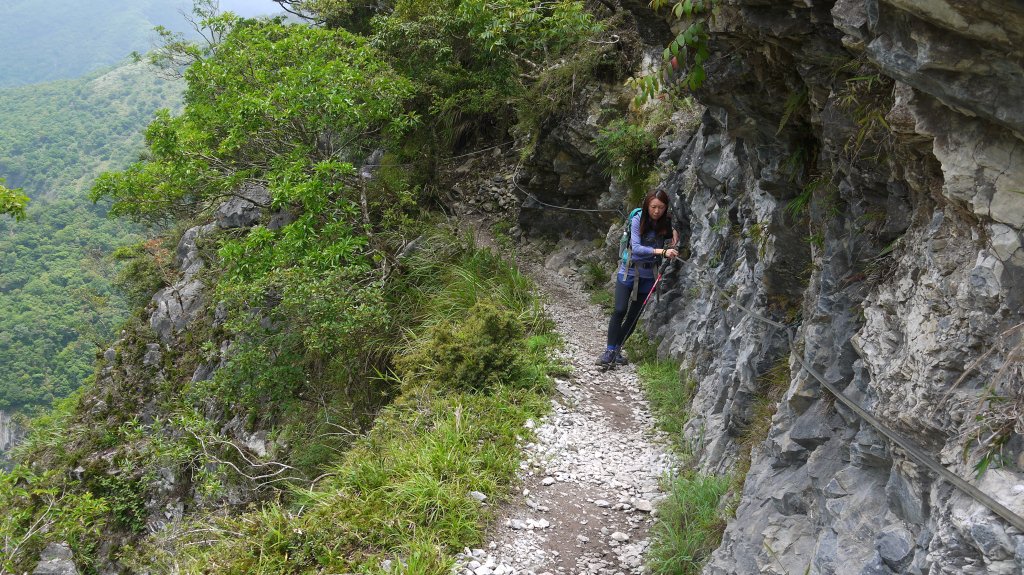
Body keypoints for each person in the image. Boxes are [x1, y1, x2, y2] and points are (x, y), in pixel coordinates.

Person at [598, 190, 679, 366]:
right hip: (628, 271)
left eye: (661, 207)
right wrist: (662, 252)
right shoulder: (637, 220)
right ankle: (609, 351)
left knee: (633, 316)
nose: (657, 211)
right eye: (653, 207)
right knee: (619, 310)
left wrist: (673, 230)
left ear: (666, 208)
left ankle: (616, 350)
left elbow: (669, 234)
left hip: (648, 275)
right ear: (647, 205)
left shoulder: (665, 223)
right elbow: (636, 248)